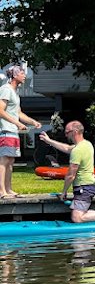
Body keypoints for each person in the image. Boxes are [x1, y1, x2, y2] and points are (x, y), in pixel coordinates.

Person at [39, 120, 95, 223]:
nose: (66, 135)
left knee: (77, 218)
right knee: (78, 215)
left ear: (74, 131)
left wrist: (64, 192)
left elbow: (71, 175)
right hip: (86, 186)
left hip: (84, 187)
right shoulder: (87, 144)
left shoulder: (77, 150)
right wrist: (49, 141)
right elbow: (66, 148)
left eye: (67, 132)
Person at [0, 65, 42, 199]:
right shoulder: (5, 89)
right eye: (22, 73)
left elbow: (18, 113)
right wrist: (17, 123)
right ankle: (2, 191)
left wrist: (32, 122)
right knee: (4, 160)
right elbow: (0, 110)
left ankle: (8, 189)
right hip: (6, 130)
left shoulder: (15, 93)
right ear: (15, 75)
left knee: (11, 160)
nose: (25, 76)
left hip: (13, 131)